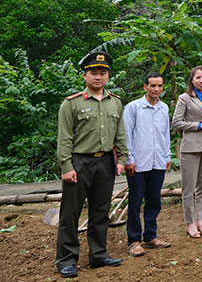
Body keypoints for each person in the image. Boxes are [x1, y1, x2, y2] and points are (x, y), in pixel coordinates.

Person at [55, 52, 127, 278]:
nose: (98, 77)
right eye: (94, 73)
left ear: (108, 76)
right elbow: (64, 137)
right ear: (85, 75)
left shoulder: (115, 102)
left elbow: (120, 134)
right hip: (79, 162)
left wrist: (122, 159)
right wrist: (66, 166)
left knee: (100, 211)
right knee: (70, 213)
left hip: (105, 162)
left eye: (103, 73)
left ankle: (99, 254)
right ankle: (67, 260)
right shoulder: (72, 103)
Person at [123, 73, 172, 257]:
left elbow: (165, 133)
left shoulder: (164, 108)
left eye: (159, 86)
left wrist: (167, 155)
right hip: (138, 163)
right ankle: (134, 240)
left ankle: (150, 236)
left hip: (158, 160)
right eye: (152, 86)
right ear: (145, 87)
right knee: (135, 201)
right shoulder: (133, 108)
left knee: (154, 200)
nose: (156, 89)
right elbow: (126, 134)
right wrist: (129, 159)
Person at [172, 66, 202, 238]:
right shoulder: (184, 98)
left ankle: (200, 218)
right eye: (198, 78)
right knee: (189, 187)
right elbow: (176, 122)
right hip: (191, 148)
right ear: (192, 80)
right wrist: (198, 126)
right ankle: (190, 222)